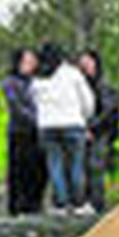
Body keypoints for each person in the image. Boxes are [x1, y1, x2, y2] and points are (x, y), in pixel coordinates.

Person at [32, 45, 95, 215]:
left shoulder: (38, 78)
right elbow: (87, 100)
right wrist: (85, 117)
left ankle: (61, 203)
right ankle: (79, 203)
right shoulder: (72, 74)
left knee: (55, 164)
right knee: (76, 164)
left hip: (47, 126)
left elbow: (34, 101)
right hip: (72, 123)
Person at [1, 48, 47, 216]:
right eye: (27, 61)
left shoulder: (40, 81)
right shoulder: (10, 82)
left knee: (38, 169)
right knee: (18, 169)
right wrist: (37, 119)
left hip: (39, 132)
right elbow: (16, 106)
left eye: (33, 61)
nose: (30, 64)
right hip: (20, 131)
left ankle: (34, 203)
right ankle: (17, 205)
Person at [79, 49, 119, 209]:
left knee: (95, 167)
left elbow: (108, 111)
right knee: (83, 168)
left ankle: (96, 204)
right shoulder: (80, 85)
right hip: (85, 132)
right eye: (82, 63)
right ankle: (85, 202)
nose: (85, 66)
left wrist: (92, 129)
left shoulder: (104, 85)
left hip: (101, 133)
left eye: (88, 63)